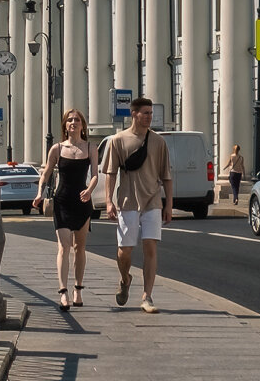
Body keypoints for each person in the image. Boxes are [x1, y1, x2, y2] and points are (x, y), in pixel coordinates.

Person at [102, 97, 172, 314]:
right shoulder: (118, 140)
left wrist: (168, 204)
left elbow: (166, 176)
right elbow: (110, 173)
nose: (149, 117)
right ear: (133, 114)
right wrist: (108, 201)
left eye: (151, 113)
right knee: (124, 252)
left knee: (150, 247)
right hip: (127, 201)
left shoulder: (159, 142)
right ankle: (125, 278)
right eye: (145, 113)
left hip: (152, 201)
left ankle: (147, 296)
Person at [33, 109, 99, 310]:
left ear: (82, 125)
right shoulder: (57, 148)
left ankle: (78, 289)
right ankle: (63, 292)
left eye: (77, 120)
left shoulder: (90, 148)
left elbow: (95, 174)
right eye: (69, 120)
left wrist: (89, 190)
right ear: (65, 125)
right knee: (64, 246)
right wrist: (39, 193)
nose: (73, 123)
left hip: (82, 201)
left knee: (80, 247)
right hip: (62, 201)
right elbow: (45, 174)